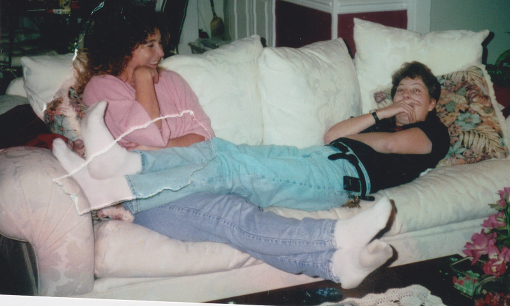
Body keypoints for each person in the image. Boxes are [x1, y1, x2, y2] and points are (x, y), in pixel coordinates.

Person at [55, 7, 396, 289]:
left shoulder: (172, 81)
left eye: (160, 44)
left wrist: (149, 150)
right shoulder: (102, 87)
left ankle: (337, 264)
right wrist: (143, 81)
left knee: (231, 193)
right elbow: (153, 136)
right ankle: (336, 236)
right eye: (150, 45)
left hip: (193, 175)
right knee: (233, 204)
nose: (161, 53)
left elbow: (203, 138)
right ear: (121, 48)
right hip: (152, 200)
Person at [54, 52, 450, 215]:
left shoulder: (432, 133)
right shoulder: (381, 118)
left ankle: (117, 193)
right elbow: (332, 135)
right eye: (401, 91)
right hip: (315, 156)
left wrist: (381, 120)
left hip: (341, 179)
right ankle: (126, 163)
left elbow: (389, 144)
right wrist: (381, 113)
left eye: (415, 92)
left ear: (432, 102)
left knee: (231, 172)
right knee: (222, 150)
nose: (406, 98)